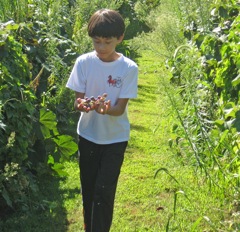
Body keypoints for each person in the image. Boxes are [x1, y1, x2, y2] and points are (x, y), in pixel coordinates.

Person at [66, 8, 138, 232]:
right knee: (89, 189)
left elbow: (119, 109)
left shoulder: (128, 68)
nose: (101, 48)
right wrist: (85, 105)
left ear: (120, 38)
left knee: (105, 191)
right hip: (87, 135)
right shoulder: (83, 63)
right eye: (96, 41)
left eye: (107, 42)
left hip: (115, 139)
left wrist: (106, 109)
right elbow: (78, 102)